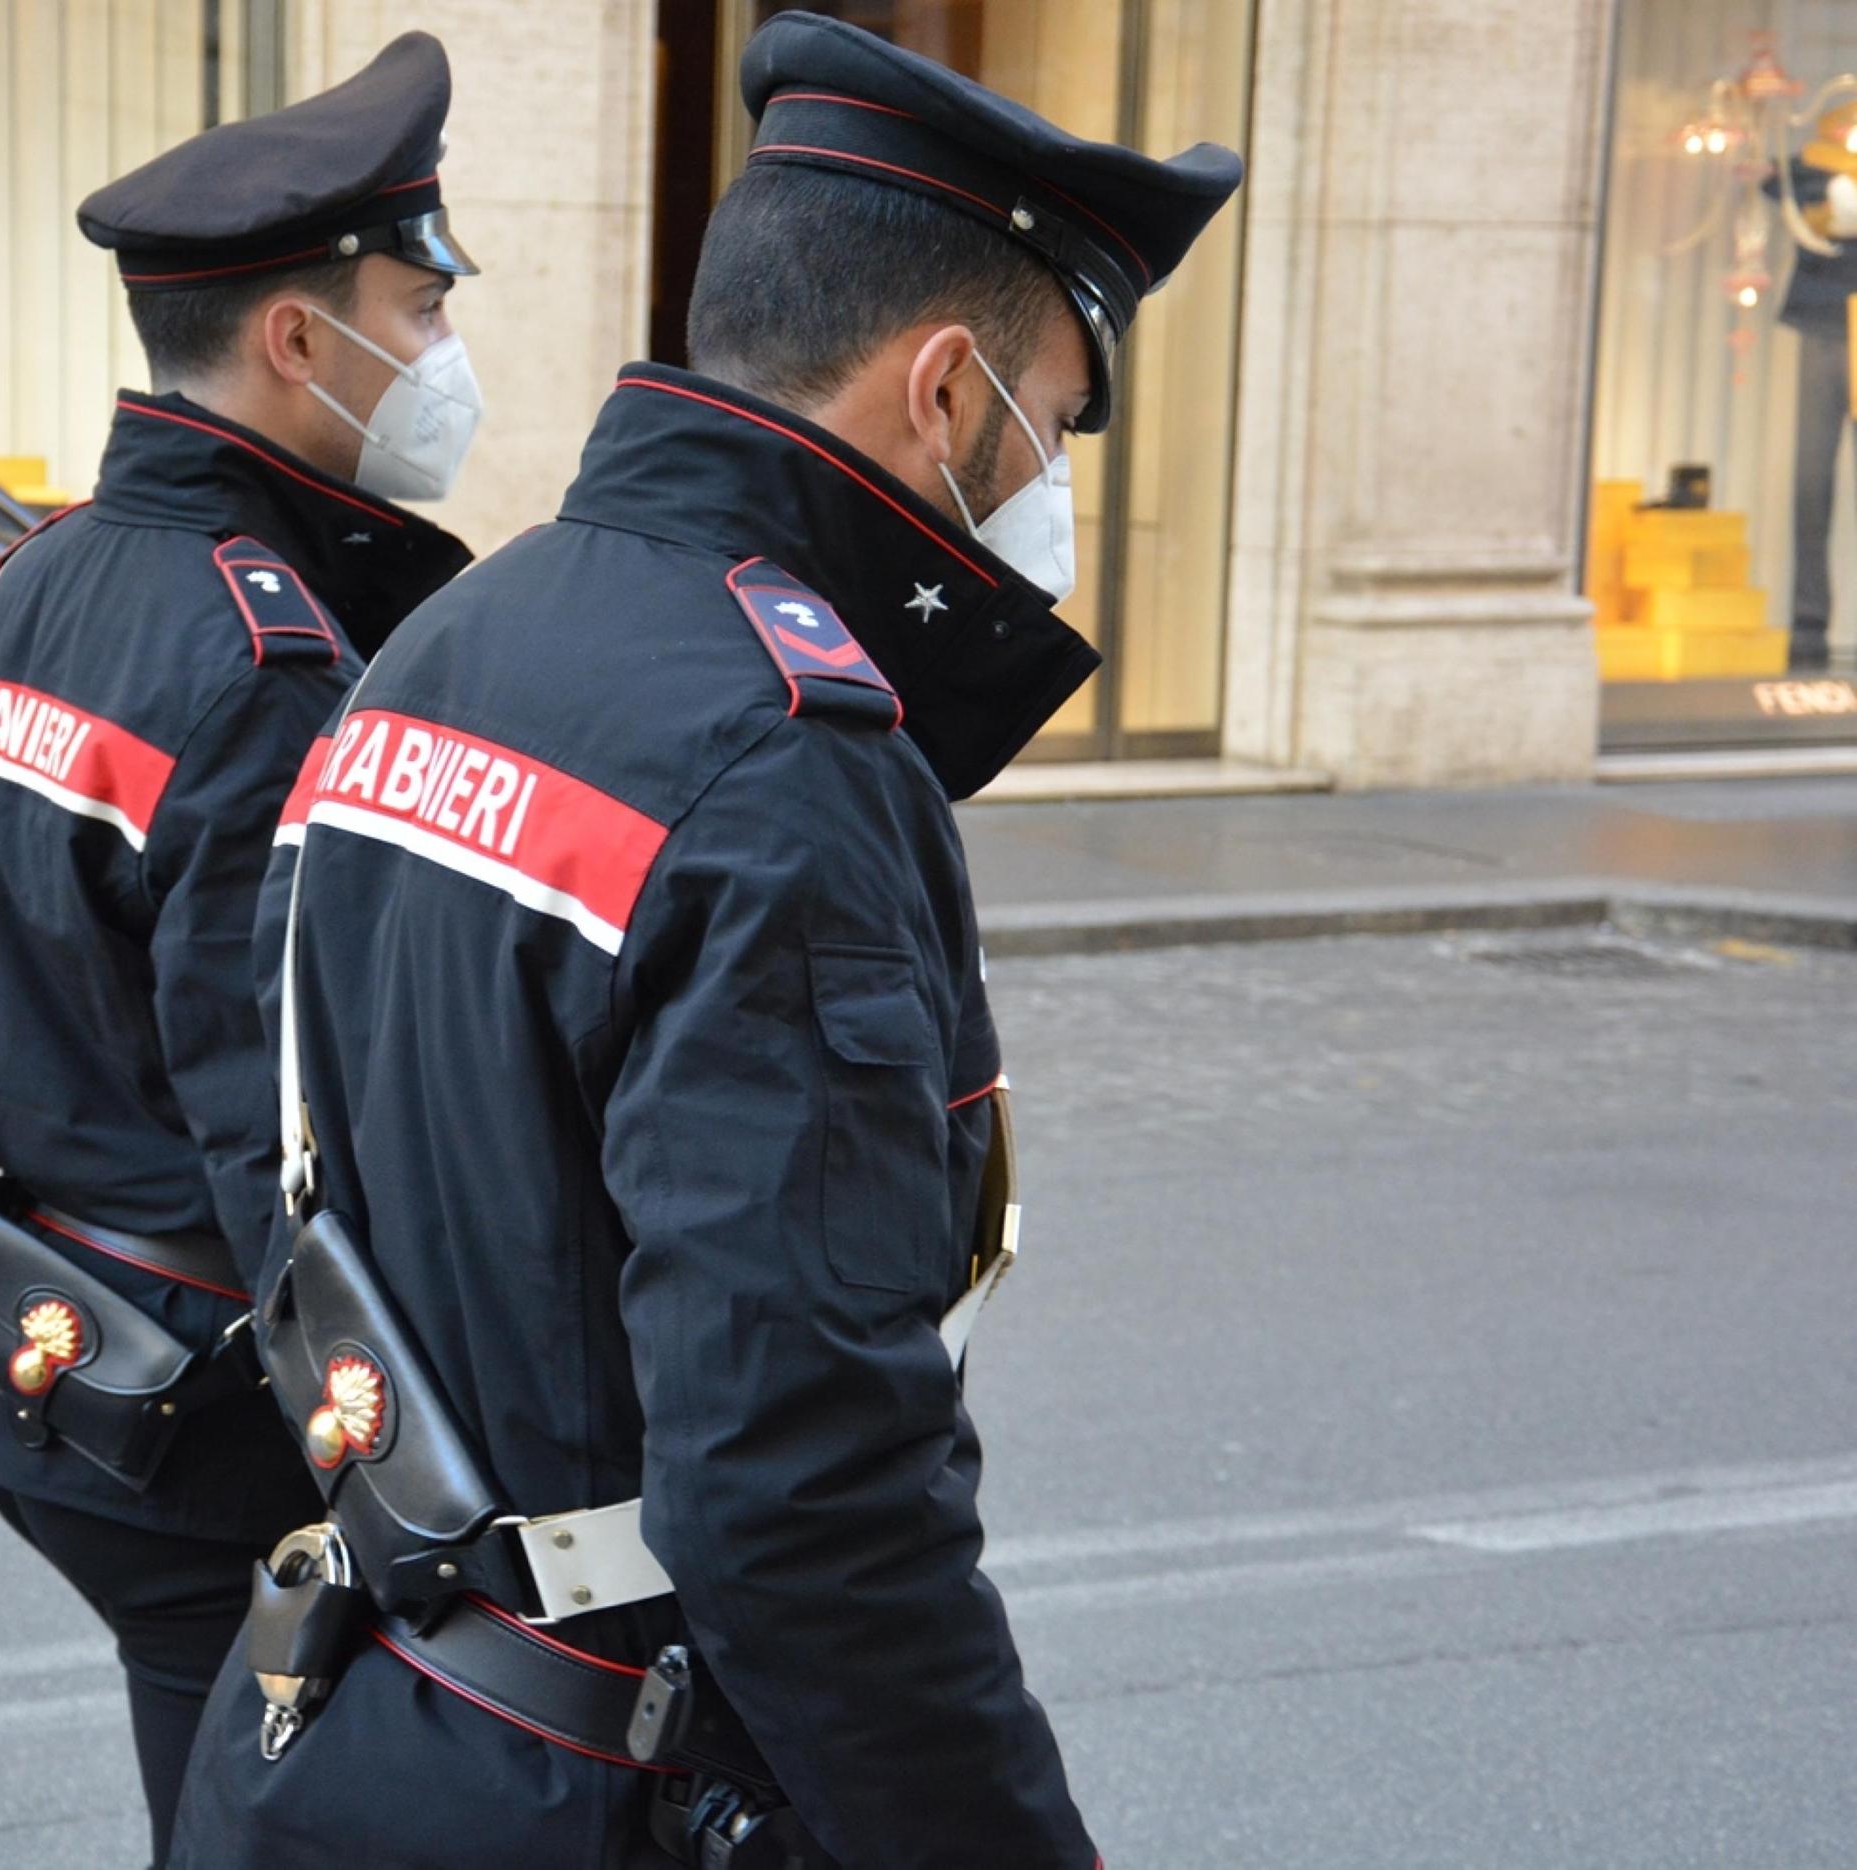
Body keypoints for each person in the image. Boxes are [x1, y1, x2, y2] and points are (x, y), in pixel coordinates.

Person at [169, 13, 1241, 1869]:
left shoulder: (458, 635)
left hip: (363, 1699)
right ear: (947, 389)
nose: (1052, 476)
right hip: (611, 1781)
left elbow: (286, 1148)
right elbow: (804, 1504)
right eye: (1054, 420)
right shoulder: (780, 759)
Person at [0, 33, 480, 1864]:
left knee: (213, 1762)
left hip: (33, 1341)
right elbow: (279, 1125)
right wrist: (396, 1450)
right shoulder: (257, 656)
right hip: (195, 1408)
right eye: (419, 305)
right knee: (272, 1798)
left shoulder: (19, 591)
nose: (445, 350)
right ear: (301, 343)